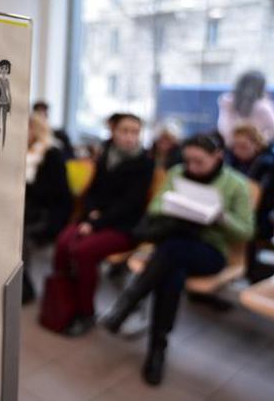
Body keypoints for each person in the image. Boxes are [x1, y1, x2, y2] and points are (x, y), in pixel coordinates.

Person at [101, 133, 254, 386]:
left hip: (209, 250)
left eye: (199, 162)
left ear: (218, 156)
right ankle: (156, 350)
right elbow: (155, 208)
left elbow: (246, 232)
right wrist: (176, 205)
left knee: (171, 252)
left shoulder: (236, 184)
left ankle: (128, 303)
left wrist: (220, 217)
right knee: (171, 271)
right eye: (188, 161)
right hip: (173, 245)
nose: (192, 167)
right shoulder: (177, 173)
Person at [51, 113, 154, 335]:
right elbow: (92, 191)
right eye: (125, 131)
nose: (130, 137)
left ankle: (85, 312)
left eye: (135, 132)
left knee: (83, 252)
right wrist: (91, 214)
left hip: (123, 227)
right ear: (113, 132)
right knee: (62, 244)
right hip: (94, 219)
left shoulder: (144, 162)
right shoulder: (105, 153)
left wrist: (96, 222)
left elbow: (131, 204)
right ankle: (64, 302)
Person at [226, 124, 274, 282]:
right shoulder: (232, 158)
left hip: (263, 216)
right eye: (235, 146)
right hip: (235, 208)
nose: (237, 150)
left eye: (243, 146)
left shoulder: (271, 163)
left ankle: (246, 271)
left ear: (257, 144)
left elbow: (261, 198)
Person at [23, 114, 72, 303]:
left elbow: (55, 193)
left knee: (17, 233)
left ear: (36, 129)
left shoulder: (51, 153)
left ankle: (25, 288)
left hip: (48, 213)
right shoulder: (27, 152)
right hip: (32, 208)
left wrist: (25, 187)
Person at [217, 70, 274, 146]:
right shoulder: (263, 106)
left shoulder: (227, 101)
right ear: (261, 87)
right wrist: (261, 138)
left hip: (231, 147)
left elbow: (224, 128)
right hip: (256, 148)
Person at [0, 60, 12, 148]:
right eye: (2, 68)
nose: (4, 70)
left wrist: (10, 106)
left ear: (8, 69)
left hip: (5, 103)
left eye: (6, 68)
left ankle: (3, 143)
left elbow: (9, 93)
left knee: (4, 123)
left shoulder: (7, 81)